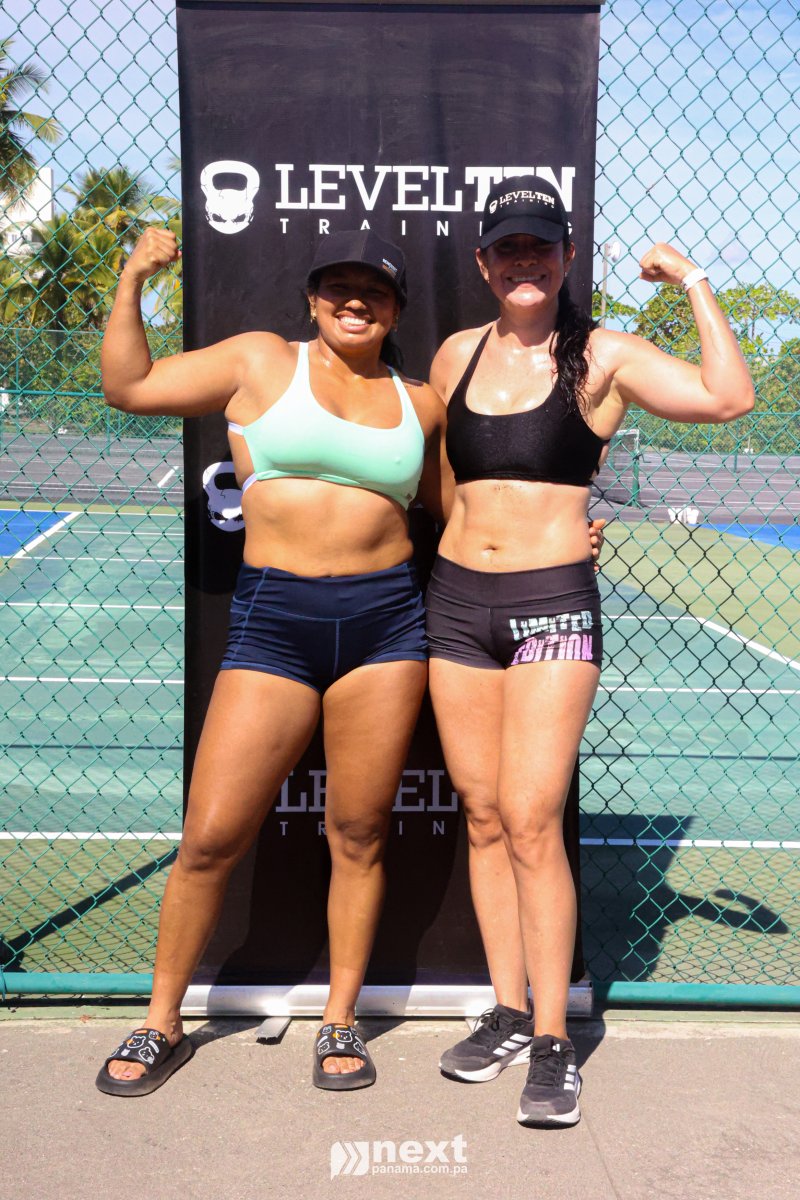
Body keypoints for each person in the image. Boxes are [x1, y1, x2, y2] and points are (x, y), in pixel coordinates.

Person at [427, 175, 754, 1128]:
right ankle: (503, 1011)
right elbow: (446, 485)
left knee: (533, 818)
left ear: (568, 256)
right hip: (455, 604)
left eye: (541, 245)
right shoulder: (455, 355)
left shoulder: (603, 354)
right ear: (484, 262)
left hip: (549, 608)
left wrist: (691, 280)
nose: (524, 261)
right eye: (507, 247)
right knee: (483, 816)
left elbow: (727, 397)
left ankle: (552, 1038)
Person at [95, 227, 450, 1094]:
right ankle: (160, 1022)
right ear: (312, 297)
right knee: (211, 836)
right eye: (339, 286)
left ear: (398, 307)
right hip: (274, 623)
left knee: (359, 834)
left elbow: (457, 512)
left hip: (387, 629)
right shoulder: (260, 361)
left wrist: (559, 533)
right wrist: (134, 276)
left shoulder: (422, 402)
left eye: (375, 289)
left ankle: (340, 1021)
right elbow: (128, 386)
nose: (355, 300)